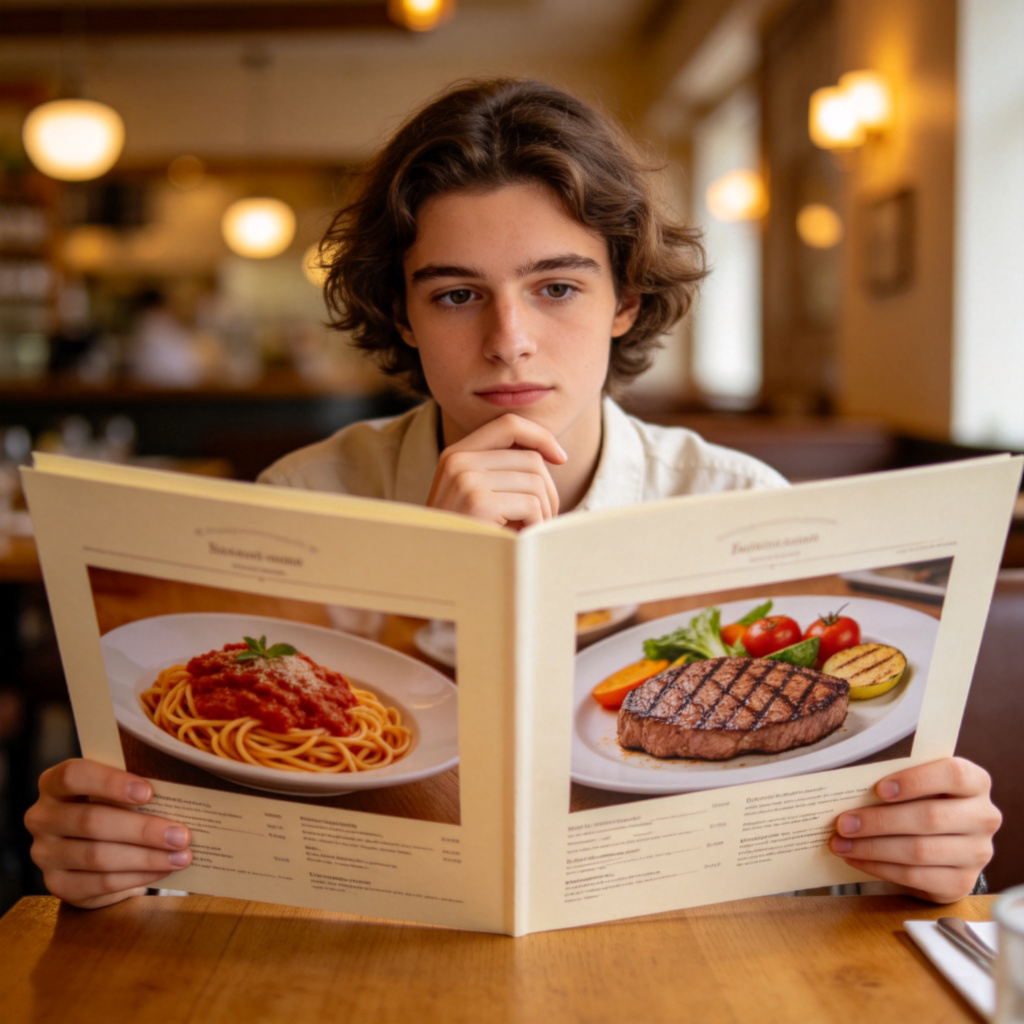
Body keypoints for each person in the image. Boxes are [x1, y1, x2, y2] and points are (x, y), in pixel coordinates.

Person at [25, 78, 999, 910]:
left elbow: (809, 840)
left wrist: (907, 850)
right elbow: (225, 834)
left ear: (623, 299)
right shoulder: (309, 498)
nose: (508, 339)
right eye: (454, 293)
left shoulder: (738, 501)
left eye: (557, 288)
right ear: (400, 313)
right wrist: (123, 858)